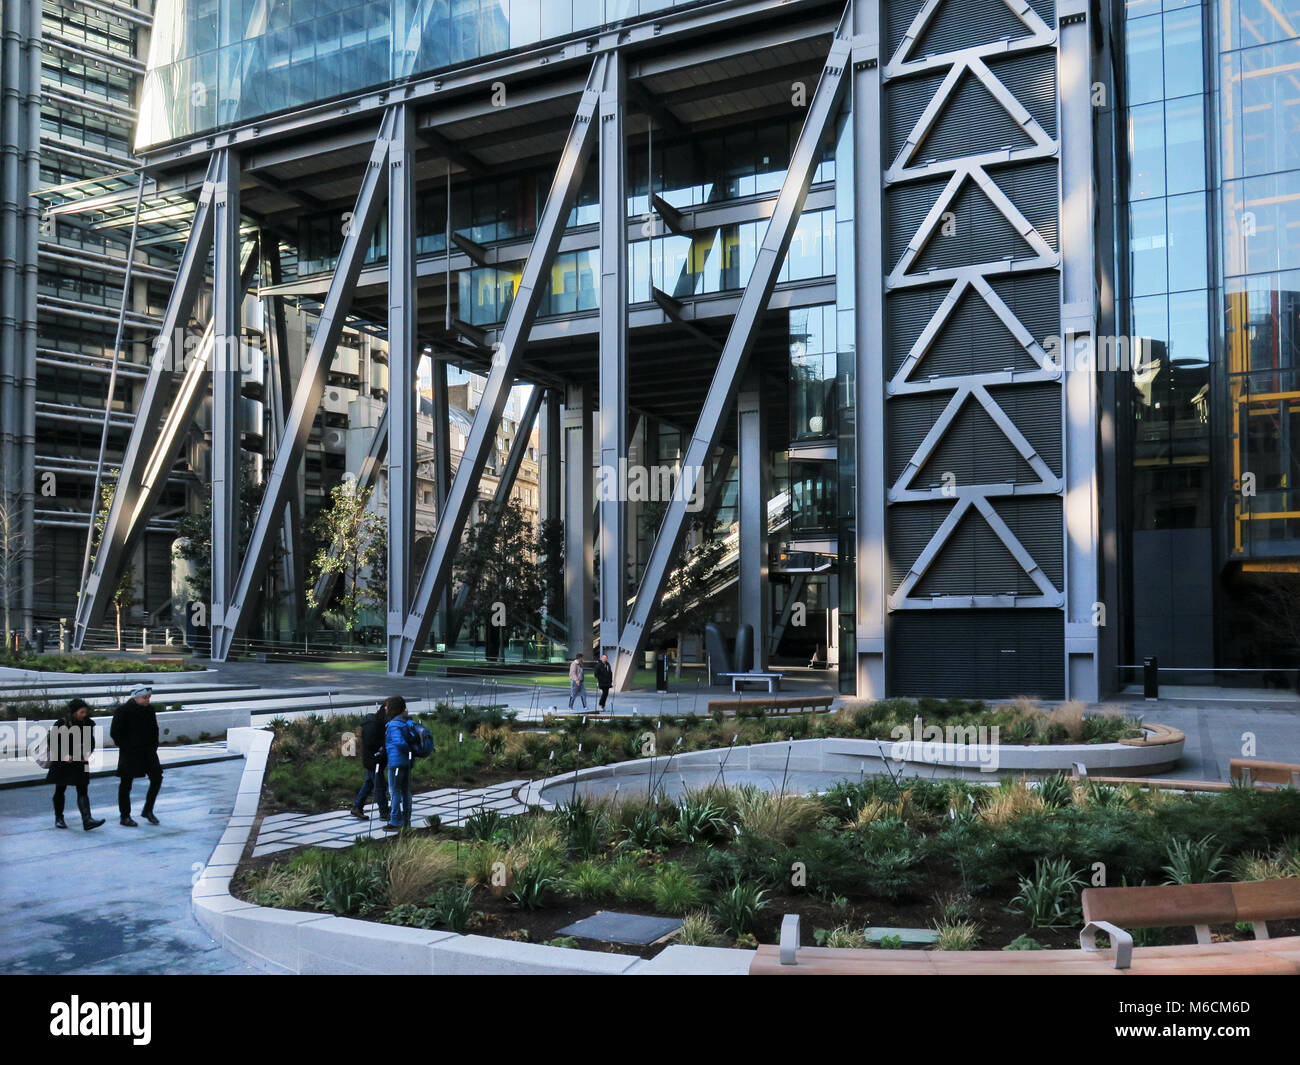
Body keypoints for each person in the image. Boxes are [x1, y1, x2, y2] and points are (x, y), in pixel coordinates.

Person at [46, 699, 105, 831]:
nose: (84, 714)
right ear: (73, 712)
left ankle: (87, 819)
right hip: (63, 762)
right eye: (81, 712)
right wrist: (64, 754)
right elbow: (52, 741)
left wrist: (88, 752)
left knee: (83, 789)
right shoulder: (61, 723)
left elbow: (91, 741)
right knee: (60, 789)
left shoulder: (87, 723)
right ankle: (59, 818)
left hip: (80, 760)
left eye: (85, 711)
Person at [110, 685, 162, 826]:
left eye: (149, 697)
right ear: (136, 697)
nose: (148, 700)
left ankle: (148, 810)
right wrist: (127, 746)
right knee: (126, 783)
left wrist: (153, 746)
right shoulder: (123, 710)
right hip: (130, 752)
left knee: (157, 778)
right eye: (145, 697)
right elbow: (115, 732)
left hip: (148, 751)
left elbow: (154, 729)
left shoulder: (149, 710)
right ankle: (125, 816)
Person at [350, 699, 391, 821]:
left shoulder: (380, 722)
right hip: (374, 760)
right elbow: (371, 742)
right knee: (379, 786)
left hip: (376, 759)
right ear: (386, 709)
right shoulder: (373, 723)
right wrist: (384, 744)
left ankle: (357, 806)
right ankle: (384, 812)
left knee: (369, 783)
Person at [383, 696, 415, 831]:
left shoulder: (394, 725)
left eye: (387, 705)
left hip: (396, 763)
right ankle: (407, 819)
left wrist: (405, 750)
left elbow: (399, 742)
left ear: (393, 708)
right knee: (406, 790)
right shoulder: (405, 722)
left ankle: (395, 820)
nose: (385, 707)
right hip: (406, 762)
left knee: (395, 791)